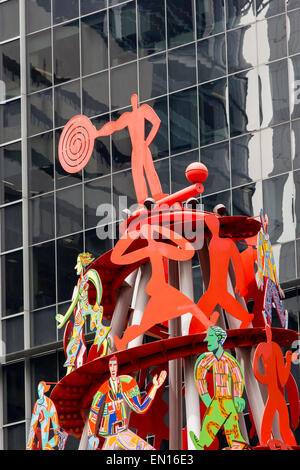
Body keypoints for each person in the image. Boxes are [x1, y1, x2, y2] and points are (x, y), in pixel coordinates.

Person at [112, 222, 218, 351]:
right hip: (159, 288)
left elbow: (117, 258)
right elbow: (187, 251)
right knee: (190, 307)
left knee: (145, 324)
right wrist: (162, 231)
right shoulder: (156, 248)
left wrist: (129, 236)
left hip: (158, 287)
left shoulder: (151, 249)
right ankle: (209, 327)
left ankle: (123, 341)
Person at [189, 214, 254, 334]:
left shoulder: (227, 243)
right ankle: (196, 333)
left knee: (198, 320)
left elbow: (237, 263)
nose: (212, 227)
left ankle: (245, 325)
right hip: (214, 289)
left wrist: (241, 284)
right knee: (196, 322)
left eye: (214, 224)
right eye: (210, 224)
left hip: (219, 289)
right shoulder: (213, 242)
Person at [97, 93, 165, 204]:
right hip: (135, 150)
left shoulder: (143, 110)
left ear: (137, 101)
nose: (133, 101)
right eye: (132, 100)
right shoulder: (127, 116)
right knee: (137, 175)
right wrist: (98, 132)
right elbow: (114, 126)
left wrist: (147, 142)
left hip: (142, 146)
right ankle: (143, 201)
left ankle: (157, 195)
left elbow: (156, 122)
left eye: (135, 99)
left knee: (149, 171)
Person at [87, 356, 167, 450]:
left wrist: (154, 387)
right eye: (111, 365)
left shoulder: (126, 383)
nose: (113, 368)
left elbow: (140, 408)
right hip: (110, 435)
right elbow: (94, 413)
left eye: (115, 365)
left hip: (122, 432)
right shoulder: (102, 390)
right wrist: (91, 436)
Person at [190, 326, 248, 450]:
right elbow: (200, 375)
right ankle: (203, 443)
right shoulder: (207, 359)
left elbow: (238, 376)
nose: (207, 340)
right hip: (218, 399)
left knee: (227, 425)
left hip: (226, 399)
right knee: (213, 421)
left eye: (210, 337)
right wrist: (206, 397)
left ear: (219, 339)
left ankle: (203, 443)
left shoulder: (228, 360)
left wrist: (238, 396)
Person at [56, 252, 103, 374]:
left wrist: (97, 305)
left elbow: (98, 286)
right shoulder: (79, 282)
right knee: (74, 340)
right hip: (81, 313)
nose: (75, 267)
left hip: (89, 309)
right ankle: (69, 369)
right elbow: (73, 304)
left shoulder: (89, 275)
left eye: (77, 264)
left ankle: (103, 351)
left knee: (98, 329)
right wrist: (63, 321)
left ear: (82, 264)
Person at [253, 324, 298, 446]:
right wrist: (264, 379)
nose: (268, 333)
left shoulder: (276, 348)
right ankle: (267, 444)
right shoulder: (262, 347)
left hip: (276, 394)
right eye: (266, 331)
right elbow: (255, 368)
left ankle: (289, 444)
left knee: (280, 424)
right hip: (273, 393)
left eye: (269, 331)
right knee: (269, 425)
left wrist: (288, 363)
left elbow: (282, 379)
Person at [257, 210, 288, 328]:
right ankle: (268, 322)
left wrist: (278, 285)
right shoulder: (261, 237)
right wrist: (260, 277)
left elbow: (273, 264)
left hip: (272, 277)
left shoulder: (267, 237)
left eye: (266, 220)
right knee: (268, 301)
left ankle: (282, 321)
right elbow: (260, 257)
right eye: (264, 220)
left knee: (275, 301)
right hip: (267, 276)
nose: (266, 222)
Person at [26, 382, 60, 450]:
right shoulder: (38, 404)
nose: (39, 391)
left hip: (52, 431)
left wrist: (57, 433)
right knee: (45, 446)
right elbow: (33, 426)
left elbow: (54, 420)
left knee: (46, 447)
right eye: (39, 390)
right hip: (44, 427)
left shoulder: (49, 403)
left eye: (41, 389)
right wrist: (28, 446)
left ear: (44, 390)